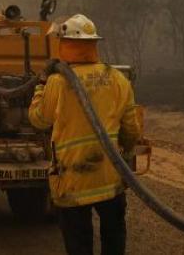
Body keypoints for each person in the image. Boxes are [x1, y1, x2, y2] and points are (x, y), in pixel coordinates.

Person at [28, 14, 142, 255]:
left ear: (65, 44)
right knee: (114, 237)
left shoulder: (57, 82)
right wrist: (124, 154)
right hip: (110, 175)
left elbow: (39, 119)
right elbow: (131, 129)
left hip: (73, 178)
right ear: (93, 44)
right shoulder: (117, 78)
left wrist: (40, 85)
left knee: (79, 243)